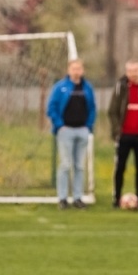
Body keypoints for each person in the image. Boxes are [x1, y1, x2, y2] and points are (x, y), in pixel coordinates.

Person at [48, 58, 97, 209]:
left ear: (83, 70)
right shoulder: (60, 87)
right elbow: (51, 107)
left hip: (82, 130)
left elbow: (92, 108)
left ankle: (77, 197)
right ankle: (62, 198)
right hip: (66, 131)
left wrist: (88, 126)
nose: (76, 71)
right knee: (65, 165)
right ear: (69, 70)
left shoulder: (87, 88)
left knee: (79, 166)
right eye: (74, 68)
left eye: (79, 69)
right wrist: (59, 125)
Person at [108, 59, 138, 207]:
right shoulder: (120, 89)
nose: (133, 74)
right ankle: (116, 198)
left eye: (136, 70)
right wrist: (118, 130)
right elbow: (112, 112)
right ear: (126, 72)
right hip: (124, 136)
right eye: (130, 71)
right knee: (120, 167)